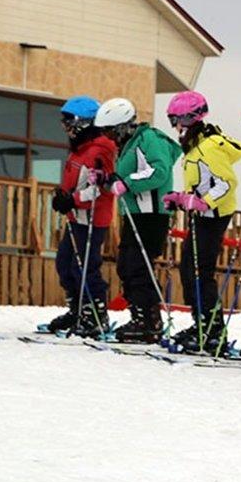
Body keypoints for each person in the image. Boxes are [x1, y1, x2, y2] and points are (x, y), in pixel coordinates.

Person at [161, 90, 241, 354]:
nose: (175, 126)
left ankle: (212, 330)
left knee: (199, 272)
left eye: (176, 120)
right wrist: (181, 198)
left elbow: (226, 182)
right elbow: (203, 182)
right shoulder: (196, 145)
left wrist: (203, 202)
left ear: (190, 118)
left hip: (213, 217)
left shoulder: (209, 146)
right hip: (202, 216)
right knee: (189, 270)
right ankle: (202, 323)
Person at [93, 97, 182, 343]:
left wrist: (126, 183)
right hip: (135, 213)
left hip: (152, 214)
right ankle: (140, 316)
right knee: (126, 266)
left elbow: (158, 170)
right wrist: (106, 178)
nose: (110, 138)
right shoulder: (130, 144)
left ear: (123, 125)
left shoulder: (148, 139)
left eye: (111, 132)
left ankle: (149, 322)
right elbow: (127, 175)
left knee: (137, 267)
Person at [44, 95, 117, 337]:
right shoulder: (79, 149)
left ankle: (95, 315)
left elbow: (101, 187)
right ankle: (77, 310)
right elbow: (76, 180)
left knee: (84, 267)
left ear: (84, 122)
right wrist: (63, 197)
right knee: (64, 264)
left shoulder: (101, 149)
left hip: (93, 218)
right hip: (77, 217)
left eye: (69, 121)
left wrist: (73, 199)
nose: (65, 127)